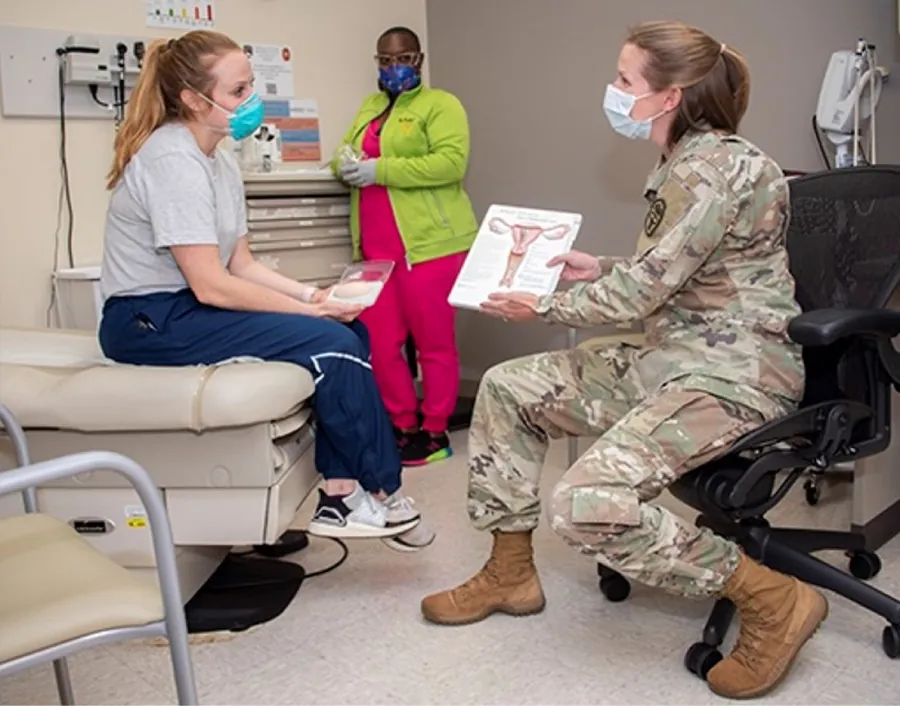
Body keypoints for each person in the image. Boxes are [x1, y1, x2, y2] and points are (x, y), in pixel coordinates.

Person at [420, 21, 828, 700]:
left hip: (733, 376)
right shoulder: (684, 161)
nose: (612, 91)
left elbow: (644, 291)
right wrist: (597, 266)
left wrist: (541, 302)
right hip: (672, 356)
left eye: (624, 80)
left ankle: (772, 598)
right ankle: (510, 573)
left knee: (584, 503)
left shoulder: (715, 166)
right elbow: (682, 275)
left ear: (669, 96)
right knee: (509, 387)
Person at [97, 30, 435, 552]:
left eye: (250, 87)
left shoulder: (218, 159)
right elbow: (212, 285)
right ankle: (368, 492)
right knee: (331, 343)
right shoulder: (172, 160)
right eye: (237, 92)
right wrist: (313, 319)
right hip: (146, 320)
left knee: (351, 328)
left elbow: (242, 264)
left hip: (185, 307)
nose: (250, 102)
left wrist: (313, 299)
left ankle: (340, 494)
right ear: (192, 99)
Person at [331, 26, 479, 467]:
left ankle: (434, 430)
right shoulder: (371, 107)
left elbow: (451, 163)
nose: (393, 67)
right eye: (384, 60)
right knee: (378, 342)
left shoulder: (441, 104)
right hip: (376, 251)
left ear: (419, 59)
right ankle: (402, 424)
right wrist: (345, 164)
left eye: (402, 58)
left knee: (433, 343)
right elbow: (347, 150)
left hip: (429, 246)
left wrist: (382, 170)